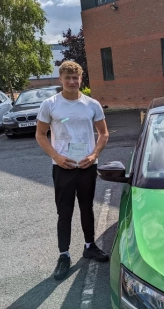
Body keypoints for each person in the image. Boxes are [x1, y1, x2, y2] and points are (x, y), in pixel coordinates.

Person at [36, 61, 110, 280]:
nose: (71, 81)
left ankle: (89, 246)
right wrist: (57, 157)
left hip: (86, 165)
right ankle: (64, 255)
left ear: (81, 79)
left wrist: (94, 155)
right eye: (67, 77)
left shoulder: (92, 104)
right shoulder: (50, 105)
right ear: (60, 79)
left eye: (75, 77)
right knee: (64, 211)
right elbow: (40, 135)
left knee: (87, 207)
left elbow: (103, 133)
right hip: (63, 167)